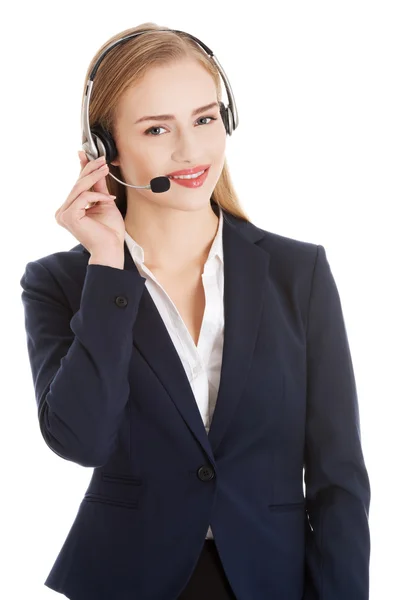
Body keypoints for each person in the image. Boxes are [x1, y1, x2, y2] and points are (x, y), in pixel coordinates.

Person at [20, 23, 371, 600]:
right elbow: (81, 441)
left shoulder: (297, 273)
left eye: (204, 119)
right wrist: (108, 265)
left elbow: (340, 478)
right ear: (104, 148)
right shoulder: (60, 282)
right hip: (126, 580)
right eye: (157, 128)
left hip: (270, 578)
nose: (191, 151)